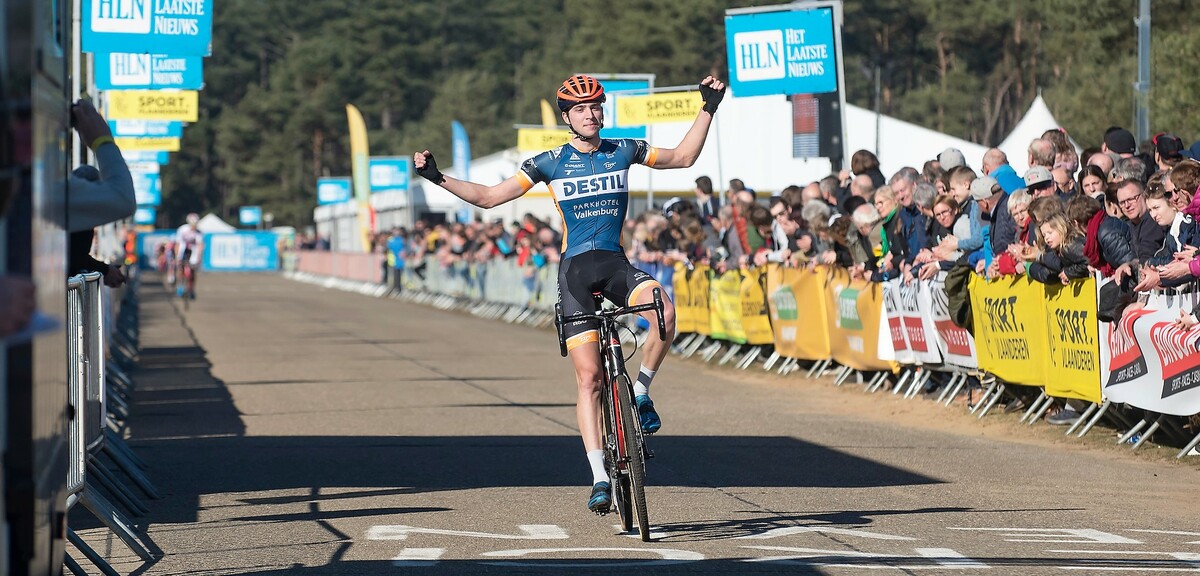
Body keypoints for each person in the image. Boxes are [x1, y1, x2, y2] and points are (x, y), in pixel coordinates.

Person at [413, 73, 726, 514]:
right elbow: (487, 198)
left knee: (664, 311)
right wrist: (436, 177)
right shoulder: (549, 162)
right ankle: (599, 476)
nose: (591, 113)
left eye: (597, 106)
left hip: (616, 265)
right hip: (575, 274)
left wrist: (708, 107)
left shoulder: (625, 149)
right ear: (567, 117)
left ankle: (640, 392)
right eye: (581, 109)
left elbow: (684, 157)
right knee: (590, 378)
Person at [175, 213, 204, 298]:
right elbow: (178, 244)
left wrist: (199, 257)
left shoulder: (199, 232)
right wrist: (177, 257)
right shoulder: (182, 230)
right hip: (183, 250)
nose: (194, 226)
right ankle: (180, 286)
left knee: (193, 270)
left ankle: (191, 289)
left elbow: (199, 245)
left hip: (193, 251)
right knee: (180, 269)